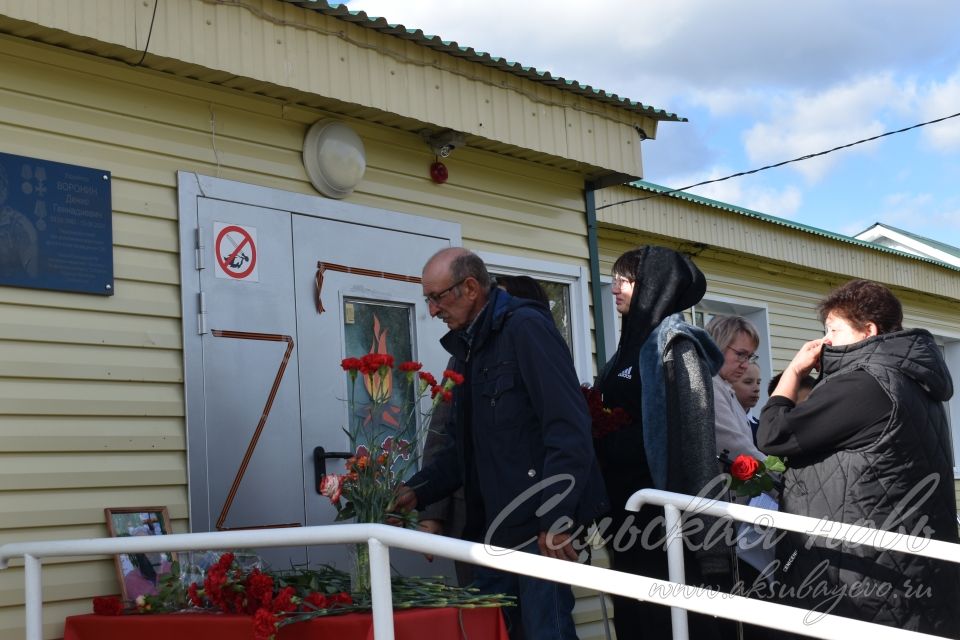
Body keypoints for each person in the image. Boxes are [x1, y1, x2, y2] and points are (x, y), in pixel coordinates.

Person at [396, 247, 608, 640]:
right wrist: (415, 491)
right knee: (488, 633)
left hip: (537, 531)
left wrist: (556, 517)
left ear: (471, 287)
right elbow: (463, 452)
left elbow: (568, 427)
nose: (432, 310)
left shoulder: (525, 328)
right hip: (490, 534)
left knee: (548, 634)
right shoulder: (465, 348)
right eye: (428, 299)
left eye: (437, 297)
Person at [757, 279, 960, 637]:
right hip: (901, 561)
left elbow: (773, 434)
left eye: (834, 330)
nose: (826, 342)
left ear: (869, 330)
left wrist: (794, 372)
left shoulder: (865, 382)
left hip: (859, 569)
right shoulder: (914, 380)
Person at [594, 245, 730, 640]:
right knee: (633, 619)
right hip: (623, 511)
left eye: (625, 279)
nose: (614, 287)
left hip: (665, 515)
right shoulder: (625, 348)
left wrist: (709, 536)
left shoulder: (677, 345)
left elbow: (697, 438)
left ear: (654, 286)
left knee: (665, 621)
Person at [417, 273, 552, 587]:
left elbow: (563, 432)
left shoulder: (538, 347)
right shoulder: (463, 354)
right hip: (474, 517)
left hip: (534, 516)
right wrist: (431, 510)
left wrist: (559, 516)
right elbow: (443, 436)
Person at [705, 315, 767, 463]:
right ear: (716, 346)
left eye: (749, 357)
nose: (745, 365)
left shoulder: (724, 387)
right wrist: (778, 473)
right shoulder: (710, 385)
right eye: (740, 354)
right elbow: (734, 444)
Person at [732, 362, 762, 440]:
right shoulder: (721, 424)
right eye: (748, 382)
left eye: (758, 382)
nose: (757, 389)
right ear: (729, 384)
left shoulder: (764, 429)